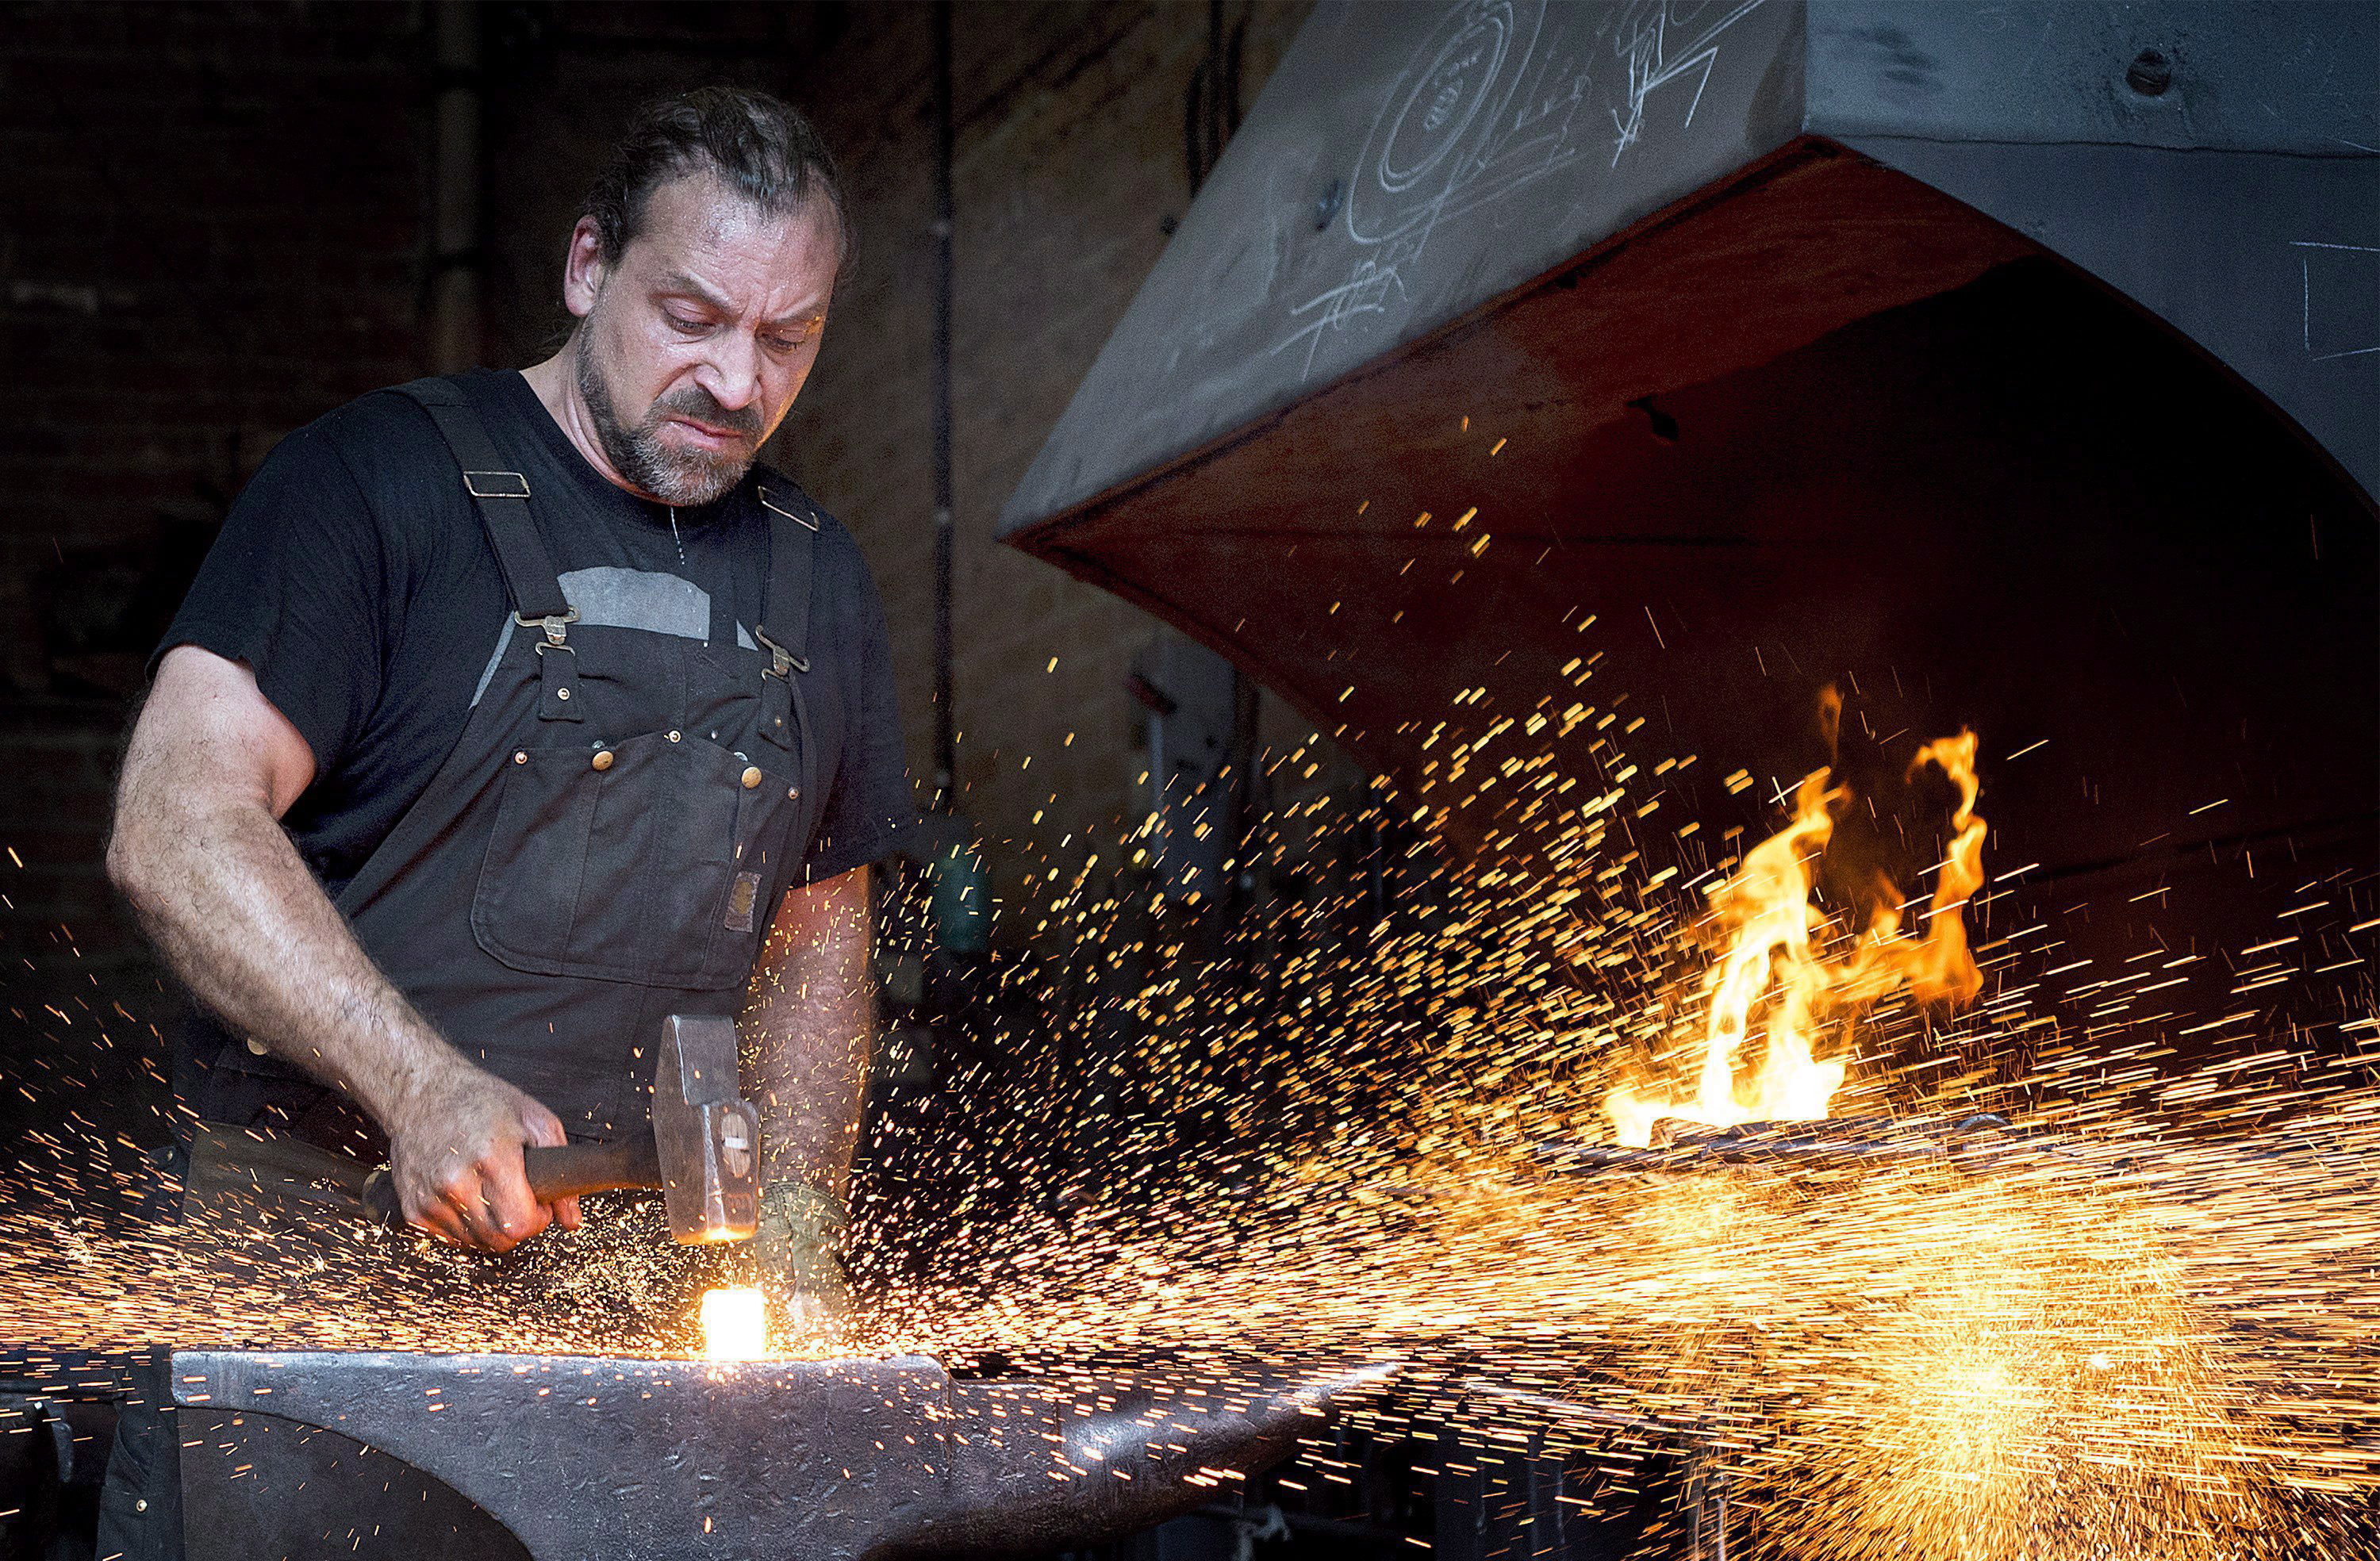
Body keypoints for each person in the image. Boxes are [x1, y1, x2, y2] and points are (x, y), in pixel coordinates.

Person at [97, 86, 910, 1555]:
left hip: (642, 1301)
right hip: (316, 1285)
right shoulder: (370, 487)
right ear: (589, 267)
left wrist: (791, 1220)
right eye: (691, 316)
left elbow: (821, 932)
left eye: (785, 340)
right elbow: (175, 822)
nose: (735, 380)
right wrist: (414, 1086)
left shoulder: (817, 577)